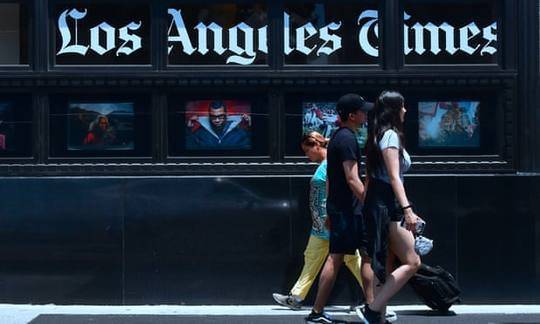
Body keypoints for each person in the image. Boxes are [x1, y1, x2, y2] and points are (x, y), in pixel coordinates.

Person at [272, 131, 366, 311]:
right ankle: (296, 296)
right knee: (312, 257)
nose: (307, 156)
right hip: (320, 224)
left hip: (332, 221)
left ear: (317, 146)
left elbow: (340, 189)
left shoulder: (332, 163)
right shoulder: (325, 163)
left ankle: (374, 298)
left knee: (352, 259)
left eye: (307, 151)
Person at [305, 94, 377, 324]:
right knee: (361, 257)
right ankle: (371, 308)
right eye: (362, 111)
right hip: (350, 210)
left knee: (342, 257)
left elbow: (330, 179)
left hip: (340, 208)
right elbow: (352, 178)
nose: (366, 115)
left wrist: (328, 208)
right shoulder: (347, 139)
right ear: (352, 115)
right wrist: (370, 202)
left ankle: (319, 312)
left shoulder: (338, 136)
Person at [357, 91, 422, 324]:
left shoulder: (377, 134)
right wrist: (407, 209)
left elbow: (372, 176)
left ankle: (378, 317)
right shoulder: (391, 136)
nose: (406, 111)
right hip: (387, 203)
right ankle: (373, 310)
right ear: (395, 110)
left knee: (382, 261)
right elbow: (394, 177)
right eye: (403, 107)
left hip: (378, 202)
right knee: (412, 261)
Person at [185, 101, 251, 149]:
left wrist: (250, 127)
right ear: (209, 116)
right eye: (213, 116)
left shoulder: (239, 133)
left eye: (220, 116)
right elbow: (189, 148)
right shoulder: (200, 133)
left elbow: (249, 148)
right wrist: (188, 129)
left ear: (226, 115)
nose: (217, 120)